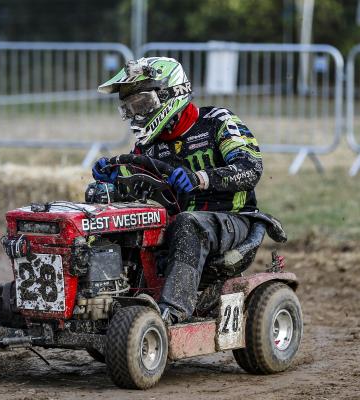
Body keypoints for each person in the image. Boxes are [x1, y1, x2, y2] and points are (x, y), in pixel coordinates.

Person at [92, 57, 263, 324]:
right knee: (110, 218)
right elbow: (139, 185)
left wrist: (201, 178)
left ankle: (173, 311)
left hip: (233, 220)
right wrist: (114, 180)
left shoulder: (217, 122)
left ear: (170, 93)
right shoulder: (149, 146)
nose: (137, 114)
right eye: (130, 108)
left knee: (188, 222)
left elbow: (251, 168)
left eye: (142, 104)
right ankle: (100, 303)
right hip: (178, 224)